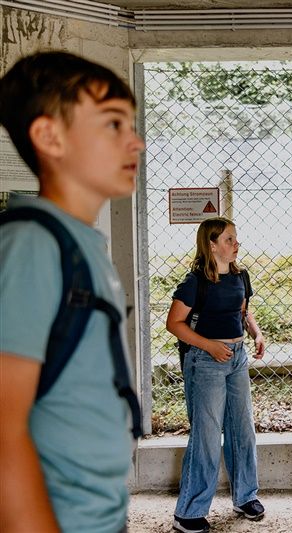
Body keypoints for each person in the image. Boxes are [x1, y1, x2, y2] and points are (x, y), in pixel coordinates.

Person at [0, 51, 145, 533]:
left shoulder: (80, 242)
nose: (137, 142)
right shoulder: (32, 244)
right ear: (49, 137)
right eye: (113, 125)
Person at [166, 217, 266, 533]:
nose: (236, 244)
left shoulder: (240, 275)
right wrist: (209, 346)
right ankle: (189, 513)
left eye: (236, 238)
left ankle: (245, 497)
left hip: (236, 358)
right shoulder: (194, 282)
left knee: (242, 429)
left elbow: (243, 310)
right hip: (205, 360)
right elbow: (175, 324)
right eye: (229, 239)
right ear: (211, 244)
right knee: (207, 436)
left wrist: (256, 333)